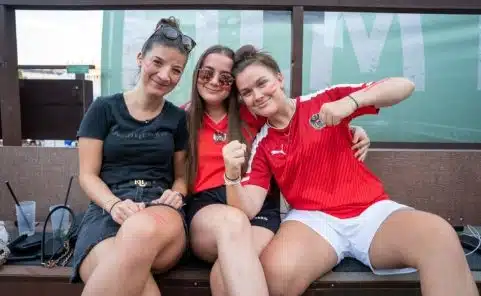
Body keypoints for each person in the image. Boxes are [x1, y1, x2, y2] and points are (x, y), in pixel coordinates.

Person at [221, 45, 479, 296]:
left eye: (262, 83)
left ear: (279, 78)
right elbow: (249, 206)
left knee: (438, 235)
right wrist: (231, 176)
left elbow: (404, 85)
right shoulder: (262, 142)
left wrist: (352, 102)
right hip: (312, 220)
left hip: (371, 212)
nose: (257, 95)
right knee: (276, 276)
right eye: (246, 92)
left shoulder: (324, 100)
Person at [182, 44, 372, 296]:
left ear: (234, 86)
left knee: (222, 274)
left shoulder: (253, 113)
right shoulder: (182, 118)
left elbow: (295, 123)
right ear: (196, 75)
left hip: (258, 206)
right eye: (206, 74)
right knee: (232, 222)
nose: (215, 82)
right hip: (209, 209)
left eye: (225, 78)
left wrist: (350, 131)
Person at [71, 17, 196, 296]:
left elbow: (180, 177)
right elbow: (87, 175)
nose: (165, 75)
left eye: (176, 70)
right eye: (158, 62)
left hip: (160, 213)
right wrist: (114, 205)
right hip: (107, 210)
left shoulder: (178, 119)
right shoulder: (103, 108)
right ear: (141, 58)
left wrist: (177, 193)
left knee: (139, 233)